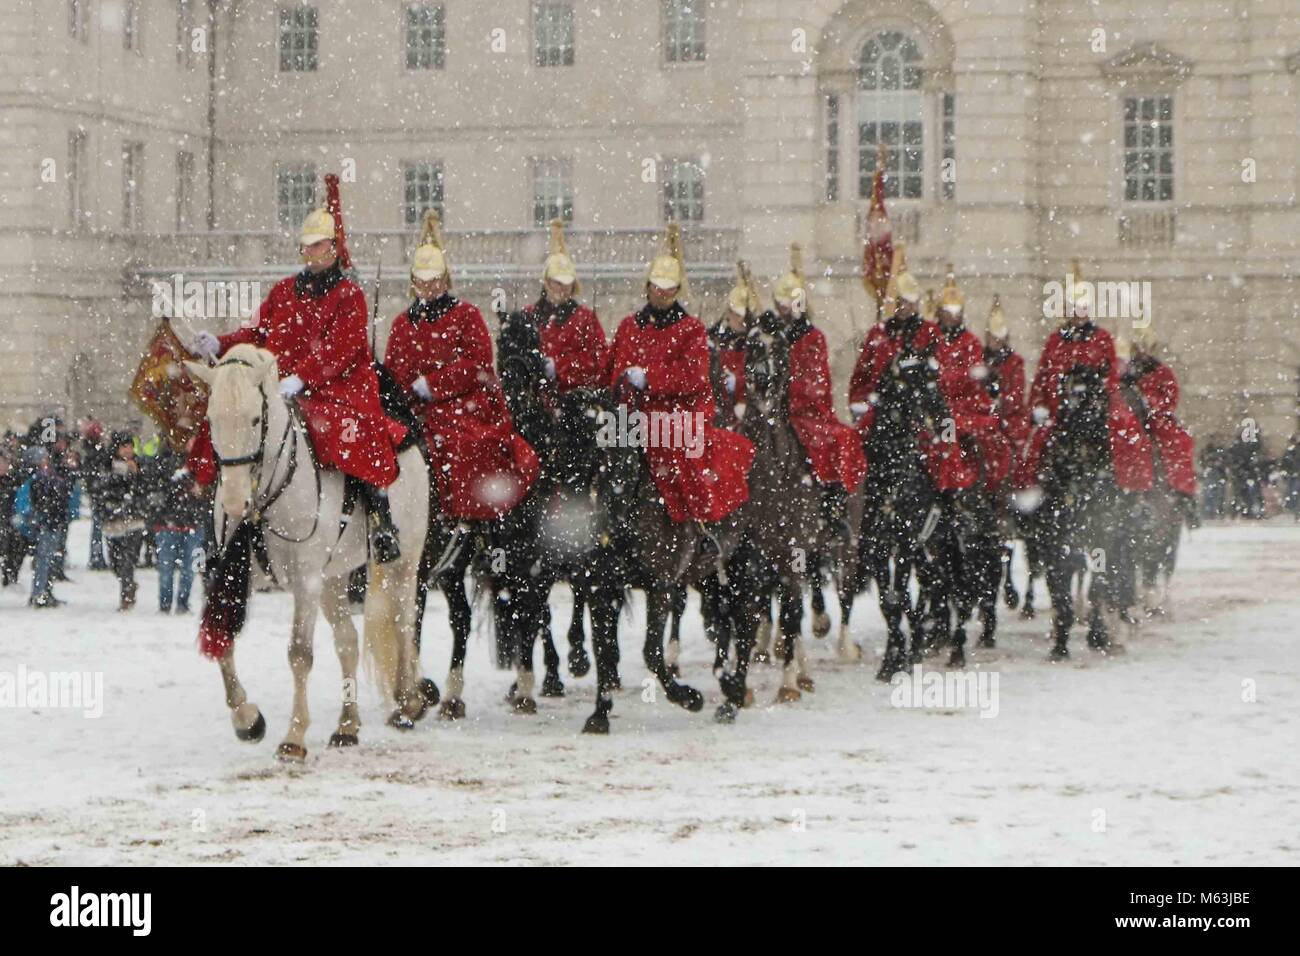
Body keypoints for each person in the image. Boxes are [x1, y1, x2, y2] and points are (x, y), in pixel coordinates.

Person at [193, 191, 407, 561]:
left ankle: (378, 519)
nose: (310, 252)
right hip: (283, 386)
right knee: (239, 427)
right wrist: (221, 342)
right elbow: (255, 333)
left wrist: (304, 378)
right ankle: (228, 521)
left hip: (338, 388)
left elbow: (340, 350)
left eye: (318, 245)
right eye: (306, 246)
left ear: (333, 248)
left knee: (353, 432)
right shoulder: (283, 291)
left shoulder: (349, 295)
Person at [383, 211, 539, 521]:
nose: (427, 287)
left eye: (433, 281)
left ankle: (466, 516)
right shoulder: (402, 323)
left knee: (466, 445)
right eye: (421, 281)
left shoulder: (466, 315)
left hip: (461, 405)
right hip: (414, 410)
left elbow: (477, 363)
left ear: (444, 280)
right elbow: (394, 368)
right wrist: (401, 395)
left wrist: (434, 384)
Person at [607, 223, 754, 545]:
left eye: (669, 288)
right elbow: (612, 367)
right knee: (600, 448)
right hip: (631, 415)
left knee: (676, 453)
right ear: (647, 286)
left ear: (677, 290)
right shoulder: (628, 326)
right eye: (657, 286)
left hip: (678, 414)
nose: (662, 293)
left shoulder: (691, 330)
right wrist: (620, 384)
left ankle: (696, 523)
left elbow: (692, 376)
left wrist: (650, 379)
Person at [1017, 268, 1154, 494]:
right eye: (1074, 307)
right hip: (1058, 410)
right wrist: (1040, 406)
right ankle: (1030, 493)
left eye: (1082, 307)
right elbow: (1043, 379)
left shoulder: (1102, 339)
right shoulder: (1055, 341)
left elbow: (1110, 377)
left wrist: (1096, 387)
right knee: (1034, 446)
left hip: (1096, 407)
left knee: (1128, 435)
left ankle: (1133, 489)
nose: (1079, 312)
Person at [763, 243, 866, 536]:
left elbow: (814, 382)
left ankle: (832, 507)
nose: (784, 310)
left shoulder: (812, 337)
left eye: (789, 304)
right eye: (780, 303)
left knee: (836, 441)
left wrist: (788, 380)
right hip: (773, 409)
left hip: (807, 413)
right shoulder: (770, 335)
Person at [521, 219, 611, 396]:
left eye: (567, 283)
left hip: (574, 399)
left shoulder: (586, 318)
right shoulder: (527, 315)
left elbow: (599, 361)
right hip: (535, 400)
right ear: (546, 283)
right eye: (557, 282)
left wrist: (559, 367)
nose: (562, 288)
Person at [1121, 324, 1198, 523]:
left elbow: (1171, 397)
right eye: (1138, 349)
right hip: (1130, 418)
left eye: (1145, 348)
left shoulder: (1162, 372)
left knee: (1179, 443)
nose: (1142, 353)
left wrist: (1154, 406)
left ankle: (1183, 492)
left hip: (1156, 418)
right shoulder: (1126, 373)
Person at [94, 432, 147, 611]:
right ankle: (129, 584)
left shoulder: (140, 464)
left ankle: (125, 596)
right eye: (124, 446)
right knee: (115, 560)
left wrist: (136, 474)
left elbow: (146, 487)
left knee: (128, 559)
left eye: (130, 446)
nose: (128, 450)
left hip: (134, 518)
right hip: (113, 519)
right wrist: (121, 475)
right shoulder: (107, 465)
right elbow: (102, 487)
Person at [150, 447, 207, 614]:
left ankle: (182, 602)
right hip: (169, 524)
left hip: (192, 523)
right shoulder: (165, 460)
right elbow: (161, 488)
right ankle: (166, 604)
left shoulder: (202, 463)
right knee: (166, 568)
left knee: (188, 569)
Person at [707, 264, 759, 428]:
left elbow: (760, 378)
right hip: (719, 405)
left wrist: (738, 383)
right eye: (736, 314)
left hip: (749, 409)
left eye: (743, 316)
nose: (739, 320)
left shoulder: (757, 343)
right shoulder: (715, 340)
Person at [27, 450, 72, 608]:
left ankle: (44, 590)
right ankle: (40, 592)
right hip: (47, 522)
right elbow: (42, 500)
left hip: (52, 521)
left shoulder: (51, 476)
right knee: (44, 559)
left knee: (47, 559)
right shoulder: (39, 479)